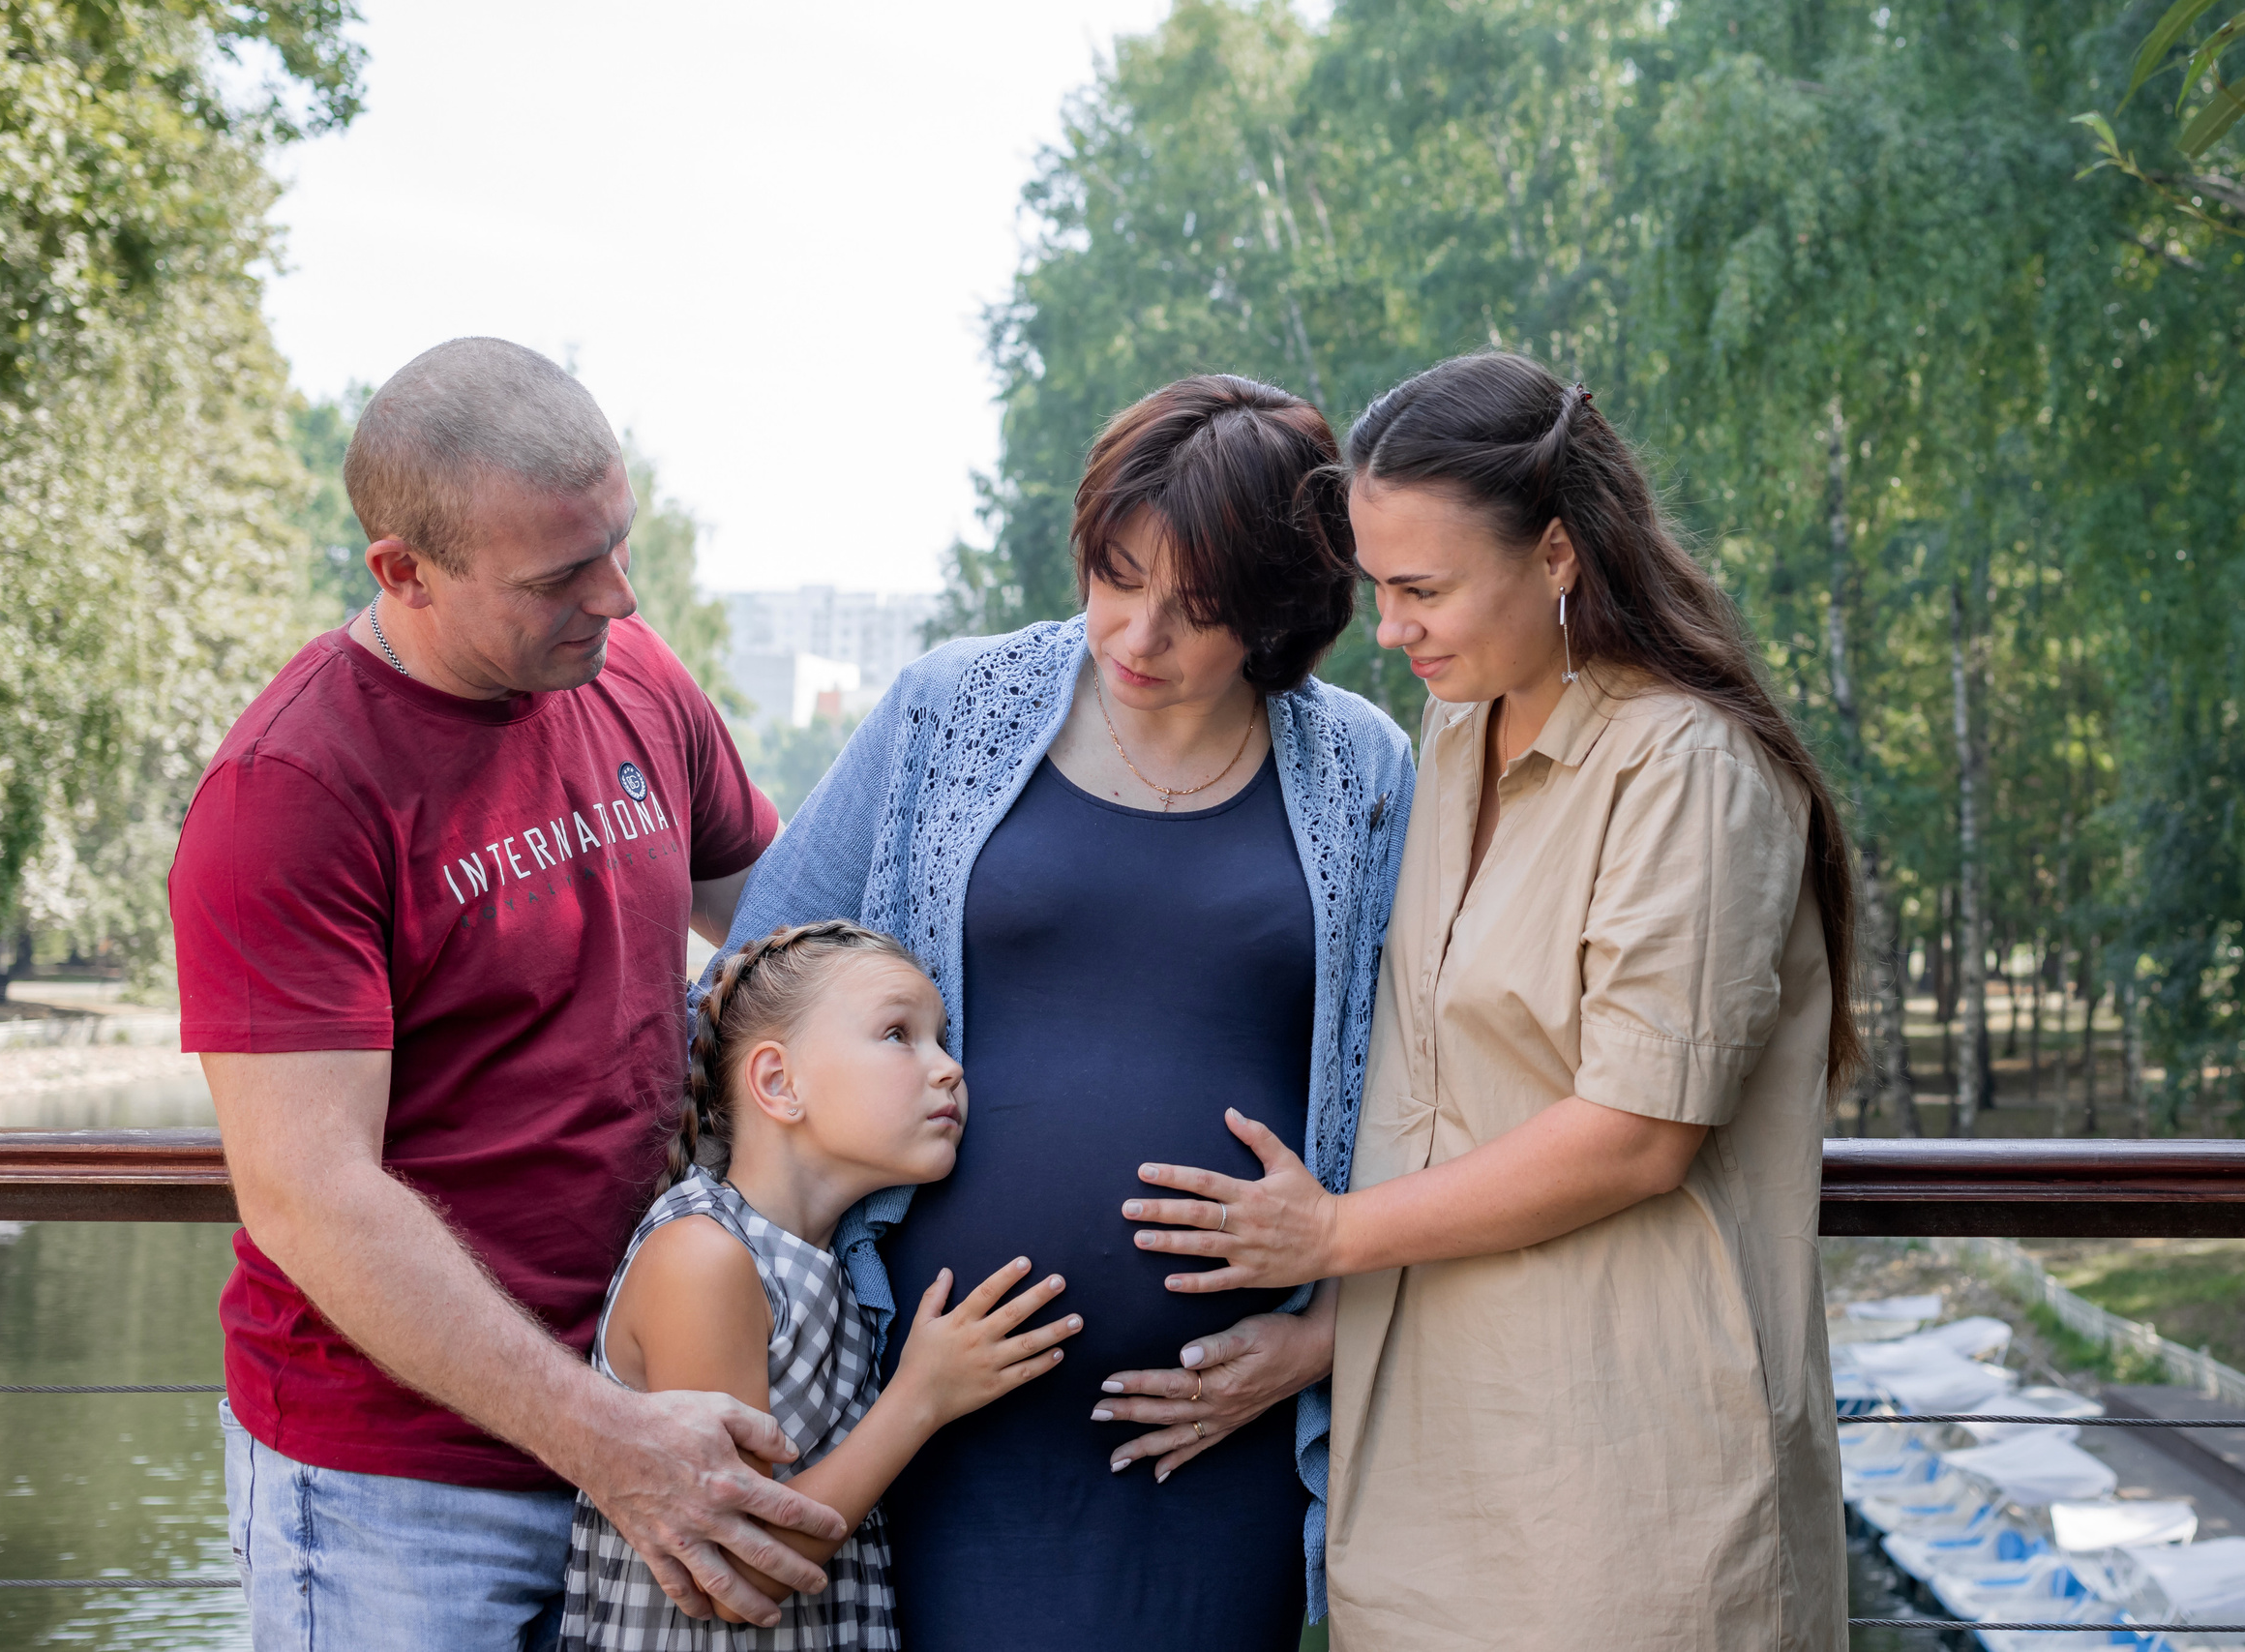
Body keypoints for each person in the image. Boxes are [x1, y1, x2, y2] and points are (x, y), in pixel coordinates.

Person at [1122, 351, 1861, 1651]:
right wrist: (1321, 1333)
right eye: (1377, 588)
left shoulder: (1687, 767)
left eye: (1424, 589)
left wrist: (1325, 1236)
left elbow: (1637, 1132)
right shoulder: (1457, 735)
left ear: (1560, 553)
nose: (1391, 628)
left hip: (1625, 1495)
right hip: (1426, 1477)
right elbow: (1442, 1093)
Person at [169, 337, 846, 1652]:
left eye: (618, 540)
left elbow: (790, 942)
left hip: (652, 1408)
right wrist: (612, 1443)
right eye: (561, 575)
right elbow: (312, 1194)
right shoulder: (289, 794)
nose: (621, 593)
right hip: (397, 1486)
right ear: (403, 571)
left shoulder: (632, 677)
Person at [715, 375, 1413, 1648]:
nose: (1136, 634)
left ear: (1279, 609)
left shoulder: (1362, 767)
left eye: (1196, 608)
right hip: (939, 1407)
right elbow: (760, 977)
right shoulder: (949, 708)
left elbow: (1434, 1092)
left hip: (1221, 1427)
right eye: (1116, 574)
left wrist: (1321, 1339)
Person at [564, 920, 1084, 1650]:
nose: (950, 1069)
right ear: (780, 1083)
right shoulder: (704, 1258)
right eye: (900, 1034)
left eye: (944, 1039)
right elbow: (743, 1560)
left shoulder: (829, 1265)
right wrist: (922, 1396)